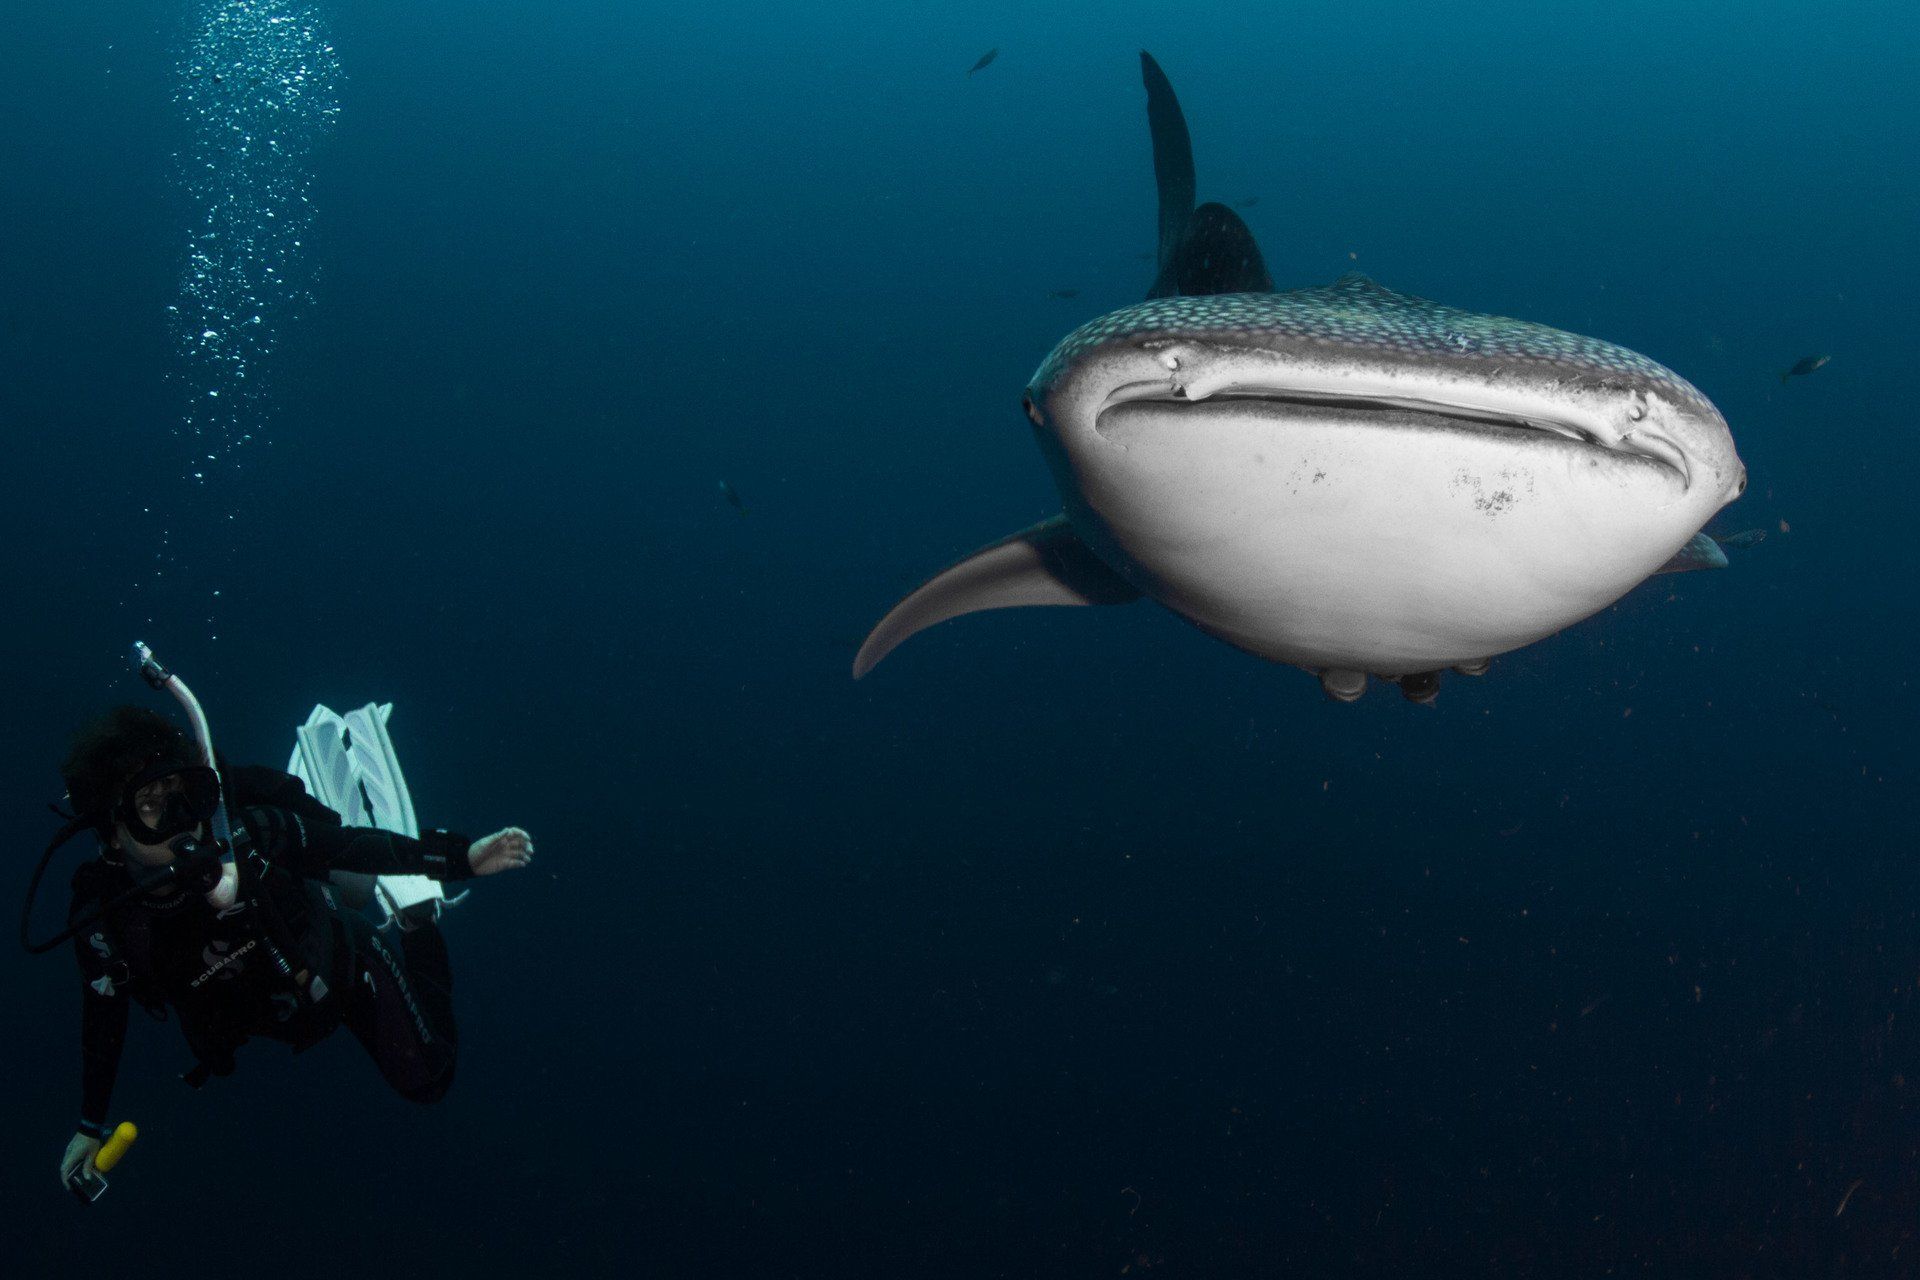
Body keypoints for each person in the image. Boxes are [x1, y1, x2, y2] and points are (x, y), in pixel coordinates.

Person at [52, 705, 534, 1191]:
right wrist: (90, 1124)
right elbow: (104, 1010)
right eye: (152, 806)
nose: (183, 823)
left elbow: (343, 845)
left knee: (430, 1079)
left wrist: (458, 859)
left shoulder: (246, 836)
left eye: (185, 797)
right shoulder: (106, 921)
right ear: (112, 834)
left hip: (337, 962)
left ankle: (416, 918)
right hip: (258, 1015)